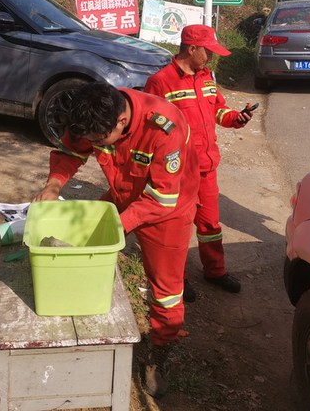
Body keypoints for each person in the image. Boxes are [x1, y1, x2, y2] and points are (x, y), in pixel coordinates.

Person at [32, 83, 199, 399]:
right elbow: (71, 152)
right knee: (79, 242)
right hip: (123, 195)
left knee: (166, 290)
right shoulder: (92, 109)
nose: (93, 145)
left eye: (98, 141)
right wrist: (54, 185)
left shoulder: (164, 125)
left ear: (122, 121)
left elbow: (163, 197)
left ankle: (159, 352)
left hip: (166, 209)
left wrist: (116, 226)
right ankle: (81, 309)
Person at [144, 24, 252, 301]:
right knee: (176, 229)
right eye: (208, 52)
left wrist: (235, 118)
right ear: (191, 48)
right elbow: (152, 130)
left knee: (210, 226)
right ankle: (178, 279)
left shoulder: (206, 78)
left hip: (207, 167)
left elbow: (219, 110)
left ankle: (215, 271)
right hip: (178, 172)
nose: (211, 58)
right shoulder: (161, 82)